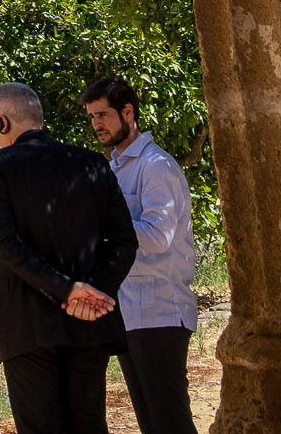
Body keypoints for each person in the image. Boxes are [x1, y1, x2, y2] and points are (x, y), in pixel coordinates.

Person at [0, 80, 138, 434]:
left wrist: (67, 291)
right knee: (89, 424)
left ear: (1, 122)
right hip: (89, 323)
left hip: (28, 324)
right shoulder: (93, 163)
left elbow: (6, 245)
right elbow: (125, 241)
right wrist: (95, 293)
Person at [85, 77, 200, 434]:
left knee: (170, 422)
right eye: (91, 117)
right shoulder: (116, 167)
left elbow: (159, 236)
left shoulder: (156, 166)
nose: (97, 124)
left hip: (160, 312)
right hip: (129, 314)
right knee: (152, 424)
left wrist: (104, 225)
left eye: (103, 114)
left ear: (128, 111)